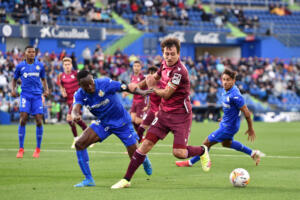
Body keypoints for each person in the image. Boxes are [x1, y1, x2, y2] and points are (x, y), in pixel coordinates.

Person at [111, 37, 211, 189]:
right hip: (164, 114)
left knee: (179, 153)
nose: (169, 57)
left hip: (181, 117)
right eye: (166, 54)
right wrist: (136, 87)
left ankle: (202, 150)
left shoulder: (179, 71)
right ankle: (126, 179)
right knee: (145, 145)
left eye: (172, 54)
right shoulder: (164, 65)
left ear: (178, 54)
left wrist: (149, 90)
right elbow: (153, 78)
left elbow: (166, 93)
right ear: (163, 54)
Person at [71, 70, 153, 187]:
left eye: (91, 83)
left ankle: (143, 159)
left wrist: (141, 92)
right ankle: (88, 180)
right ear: (80, 85)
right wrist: (75, 115)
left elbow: (126, 87)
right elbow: (75, 108)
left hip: (121, 122)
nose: (90, 87)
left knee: (134, 156)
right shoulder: (79, 94)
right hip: (103, 123)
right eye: (86, 86)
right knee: (79, 144)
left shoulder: (105, 83)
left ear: (93, 78)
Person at [175, 68, 265, 168]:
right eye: (224, 79)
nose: (225, 82)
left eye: (228, 80)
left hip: (229, 127)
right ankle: (253, 153)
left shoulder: (236, 96)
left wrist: (250, 128)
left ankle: (190, 163)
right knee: (226, 143)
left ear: (233, 81)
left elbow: (247, 113)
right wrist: (225, 117)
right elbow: (230, 108)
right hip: (227, 123)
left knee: (206, 143)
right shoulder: (225, 90)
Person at [12, 45, 49, 158]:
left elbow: (43, 79)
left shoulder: (40, 65)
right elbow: (14, 80)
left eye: (33, 52)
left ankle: (37, 149)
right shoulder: (20, 66)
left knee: (38, 121)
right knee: (23, 119)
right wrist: (13, 90)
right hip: (25, 96)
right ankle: (21, 148)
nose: (32, 53)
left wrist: (46, 89)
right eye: (30, 52)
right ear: (25, 53)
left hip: (37, 96)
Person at [57, 57, 87, 148]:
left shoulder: (77, 73)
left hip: (77, 99)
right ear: (63, 66)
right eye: (65, 65)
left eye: (68, 65)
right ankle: (88, 132)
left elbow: (85, 80)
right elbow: (61, 85)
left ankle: (76, 139)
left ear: (71, 65)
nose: (67, 66)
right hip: (69, 100)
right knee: (75, 119)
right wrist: (62, 91)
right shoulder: (61, 76)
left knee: (69, 119)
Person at [136, 66, 162, 142]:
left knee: (153, 132)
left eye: (153, 72)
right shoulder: (148, 80)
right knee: (140, 129)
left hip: (160, 110)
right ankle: (136, 148)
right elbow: (150, 94)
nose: (151, 74)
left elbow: (165, 97)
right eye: (150, 72)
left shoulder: (162, 82)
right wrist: (148, 106)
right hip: (152, 109)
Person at [130, 60, 147, 132]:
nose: (136, 68)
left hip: (141, 101)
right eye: (135, 66)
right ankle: (140, 136)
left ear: (140, 67)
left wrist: (146, 104)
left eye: (138, 66)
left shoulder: (143, 77)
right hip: (134, 101)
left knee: (137, 121)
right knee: (132, 120)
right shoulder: (132, 76)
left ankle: (148, 124)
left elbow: (145, 91)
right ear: (133, 67)